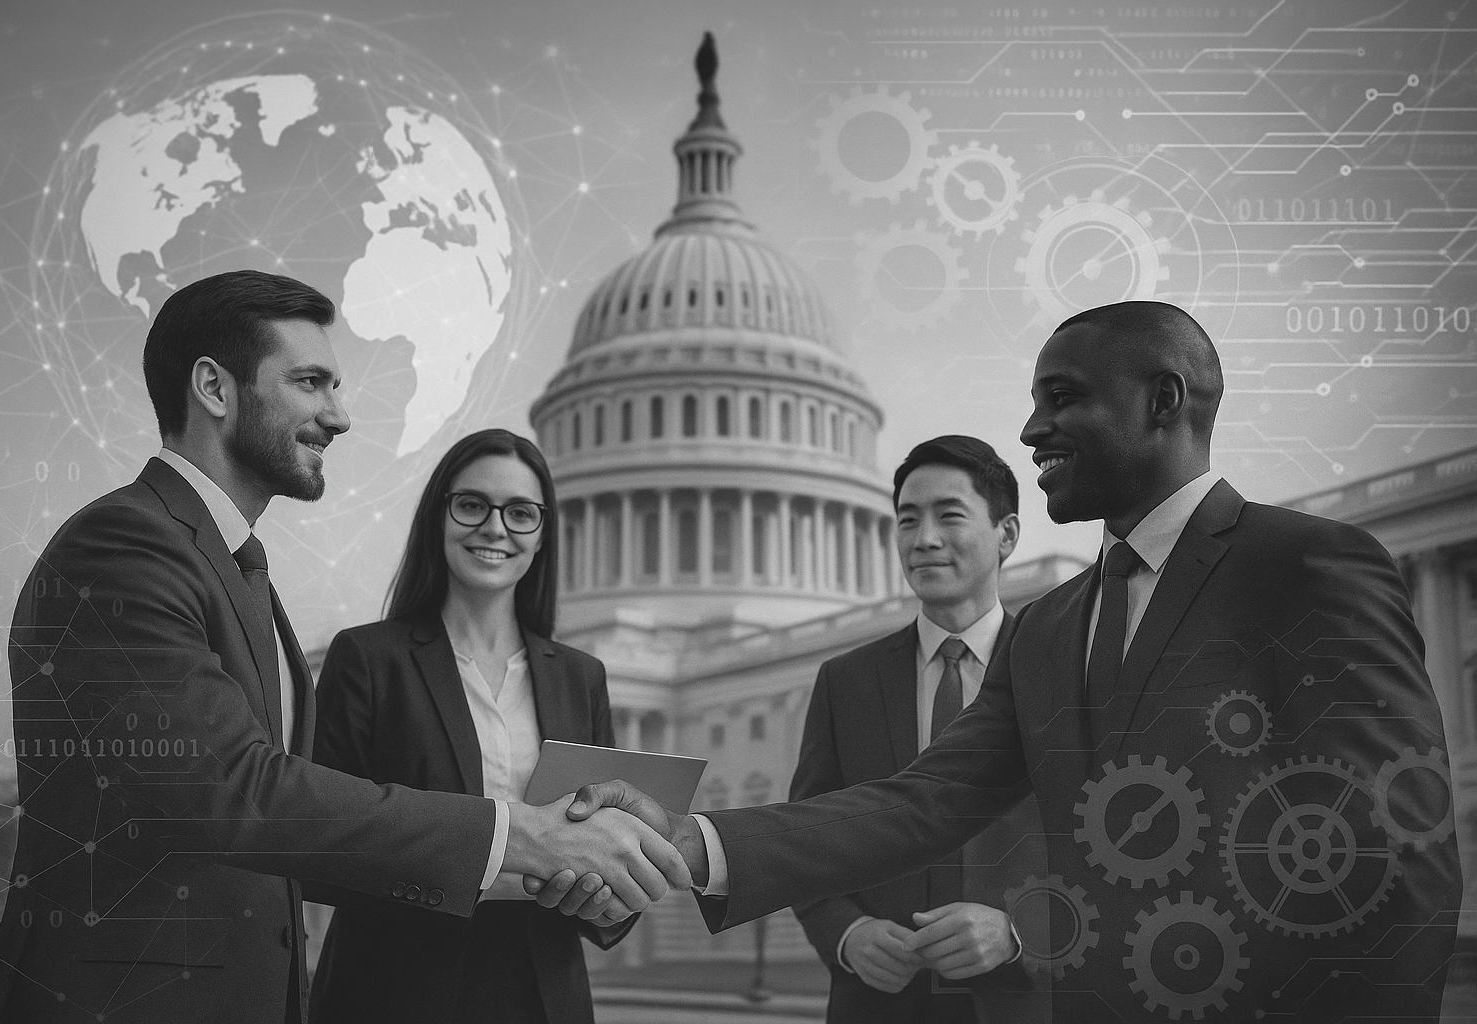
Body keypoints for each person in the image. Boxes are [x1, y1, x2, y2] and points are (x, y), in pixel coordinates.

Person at [563, 301, 1463, 1023]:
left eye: (1063, 397)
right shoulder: (1048, 628)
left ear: (1164, 399)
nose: (1032, 428)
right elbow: (920, 800)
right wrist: (691, 840)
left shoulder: (1306, 567)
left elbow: (1398, 858)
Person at [0, 271, 686, 1024]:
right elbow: (232, 790)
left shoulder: (239, 571)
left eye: (335, 386)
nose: (340, 416)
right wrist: (520, 834)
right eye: (311, 382)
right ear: (214, 388)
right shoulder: (123, 547)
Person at [305, 428, 633, 1024]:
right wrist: (485, 853)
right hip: (393, 987)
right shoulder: (368, 660)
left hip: (544, 989)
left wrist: (608, 895)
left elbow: (605, 840)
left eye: (521, 513)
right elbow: (326, 842)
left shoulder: (581, 677)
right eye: (473, 505)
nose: (495, 528)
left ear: (542, 535)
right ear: (440, 516)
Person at [791, 435, 1049, 1024]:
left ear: (1006, 534)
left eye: (948, 516)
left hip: (1025, 1003)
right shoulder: (845, 682)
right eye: (908, 521)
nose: (923, 539)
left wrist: (1019, 930)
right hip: (878, 1007)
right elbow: (808, 842)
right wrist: (847, 933)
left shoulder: (1065, 673)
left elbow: (1110, 853)